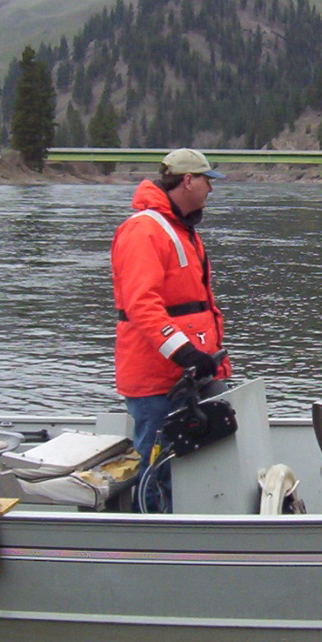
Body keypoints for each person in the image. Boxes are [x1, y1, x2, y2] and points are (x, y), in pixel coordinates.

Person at [111, 148, 231, 511]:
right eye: (207, 179)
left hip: (187, 376)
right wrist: (185, 352)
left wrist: (201, 359)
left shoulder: (180, 230)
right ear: (189, 180)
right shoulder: (145, 230)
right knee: (156, 466)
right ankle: (150, 538)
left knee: (181, 465)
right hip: (158, 379)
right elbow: (141, 305)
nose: (211, 188)